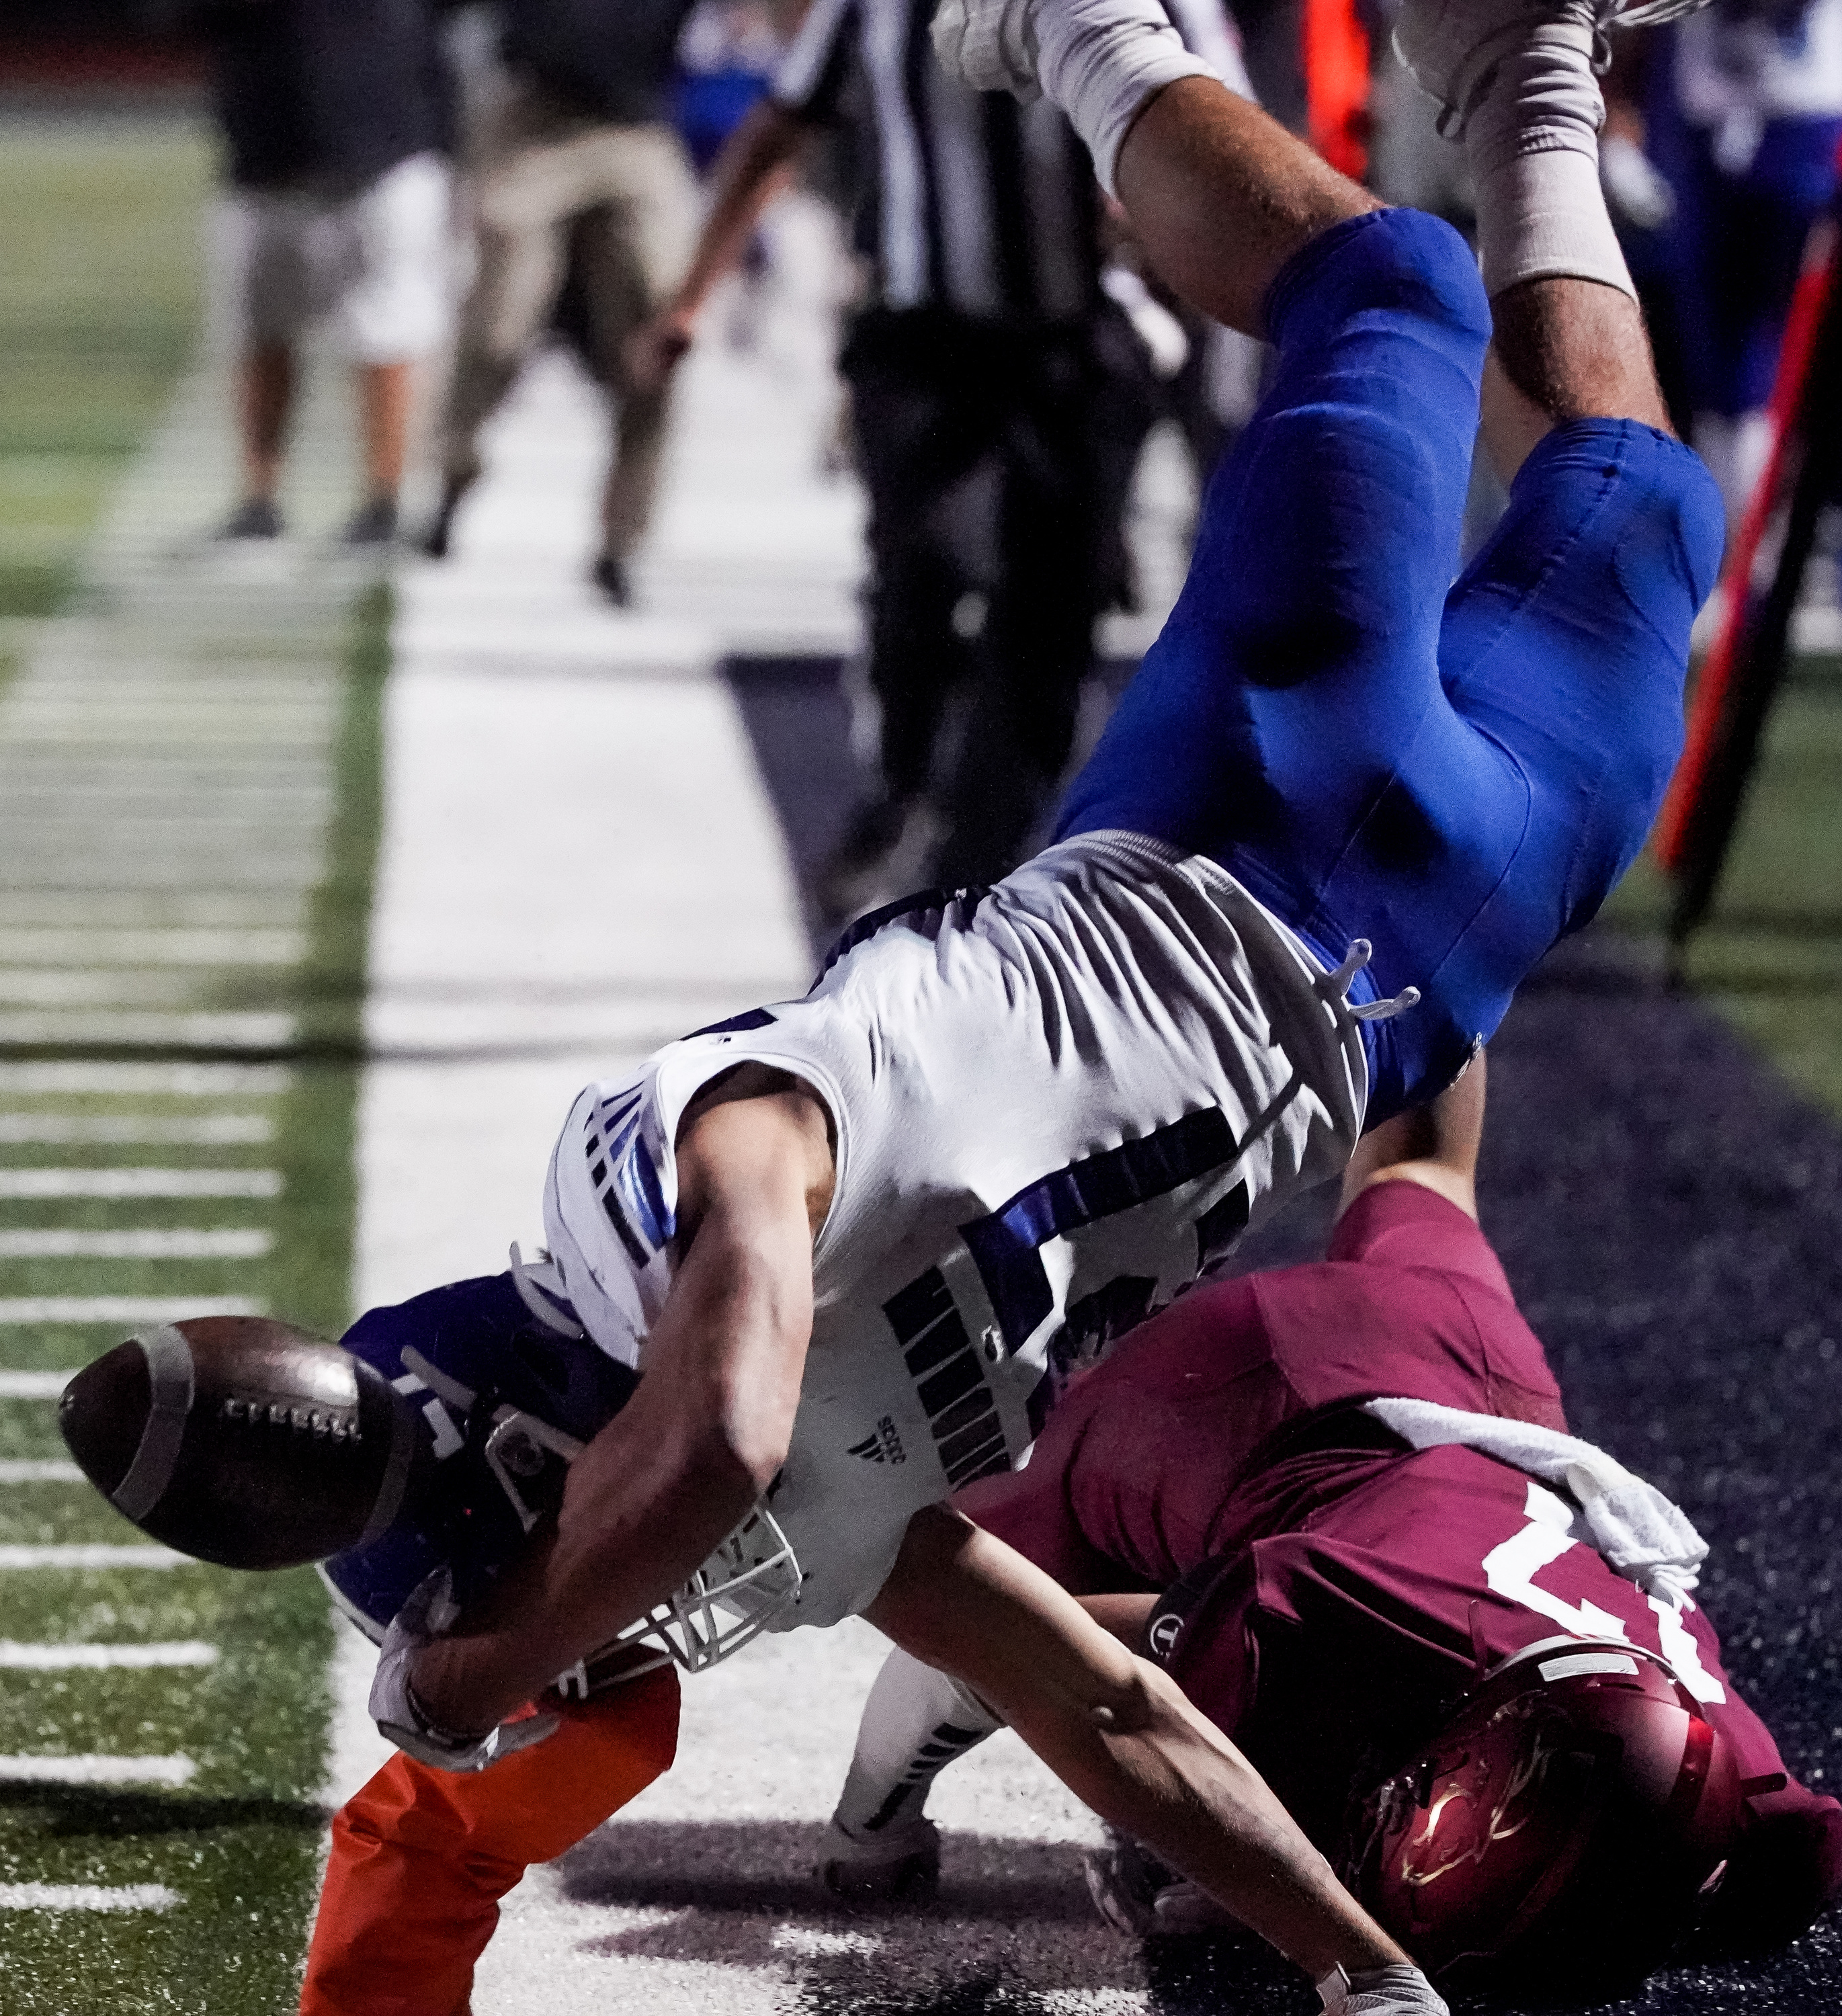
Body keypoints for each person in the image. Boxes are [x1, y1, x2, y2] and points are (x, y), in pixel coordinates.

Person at [71, 1, 1726, 2010]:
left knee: (1384, 287)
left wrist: (475, 1669)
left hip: (1238, 806)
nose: (610, 1657)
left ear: (517, 1464)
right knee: (1639, 509)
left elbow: (713, 1429)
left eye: (558, 1615)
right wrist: (1368, 1972)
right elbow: (1105, 1709)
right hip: (1396, 984)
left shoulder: (650, 1183)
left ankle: (1080, 31)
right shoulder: (817, 1521)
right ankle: (1515, 70)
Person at [814, 1056, 1842, 1990]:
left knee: (1422, 1171)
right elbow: (1001, 1656)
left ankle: (1434, 962)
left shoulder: (1768, 1827)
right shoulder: (1356, 1622)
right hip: (1233, 1400)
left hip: (1477, 1375)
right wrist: (875, 1831)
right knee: (861, 1527)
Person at [630, 0, 1256, 907]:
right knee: (921, 565)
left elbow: (1234, 133)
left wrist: (1162, 203)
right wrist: (690, 298)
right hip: (926, 337)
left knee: (1051, 617)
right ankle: (903, 783)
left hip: (1079, 343)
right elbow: (782, 122)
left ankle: (977, 871)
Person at [418, 0, 704, 604]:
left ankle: (621, 540)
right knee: (498, 328)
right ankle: (452, 474)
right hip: (536, 122)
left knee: (662, 331)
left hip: (633, 127)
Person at [193, 0, 456, 545]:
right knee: (260, 330)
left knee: (387, 330)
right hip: (269, 147)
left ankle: (383, 497)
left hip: (383, 144)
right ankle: (259, 497)